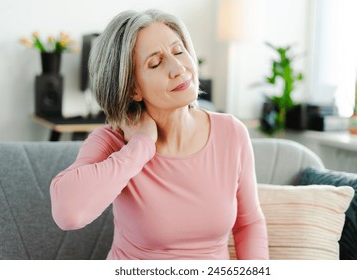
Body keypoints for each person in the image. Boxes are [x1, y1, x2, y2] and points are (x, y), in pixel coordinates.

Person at [50, 9, 269, 260]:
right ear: (133, 89)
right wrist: (140, 147)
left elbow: (248, 224)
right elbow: (69, 213)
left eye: (179, 51)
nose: (178, 68)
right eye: (155, 63)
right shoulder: (114, 141)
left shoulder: (231, 133)